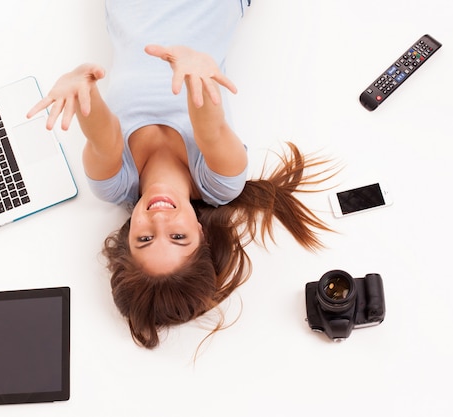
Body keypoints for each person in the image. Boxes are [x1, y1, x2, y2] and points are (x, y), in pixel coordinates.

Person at [28, 0, 333, 349]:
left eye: (145, 240)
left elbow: (104, 136)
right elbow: (211, 130)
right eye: (177, 238)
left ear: (128, 239)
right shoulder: (220, 182)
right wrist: (194, 74)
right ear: (201, 234)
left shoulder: (114, 184)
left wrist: (82, 86)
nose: (160, 221)